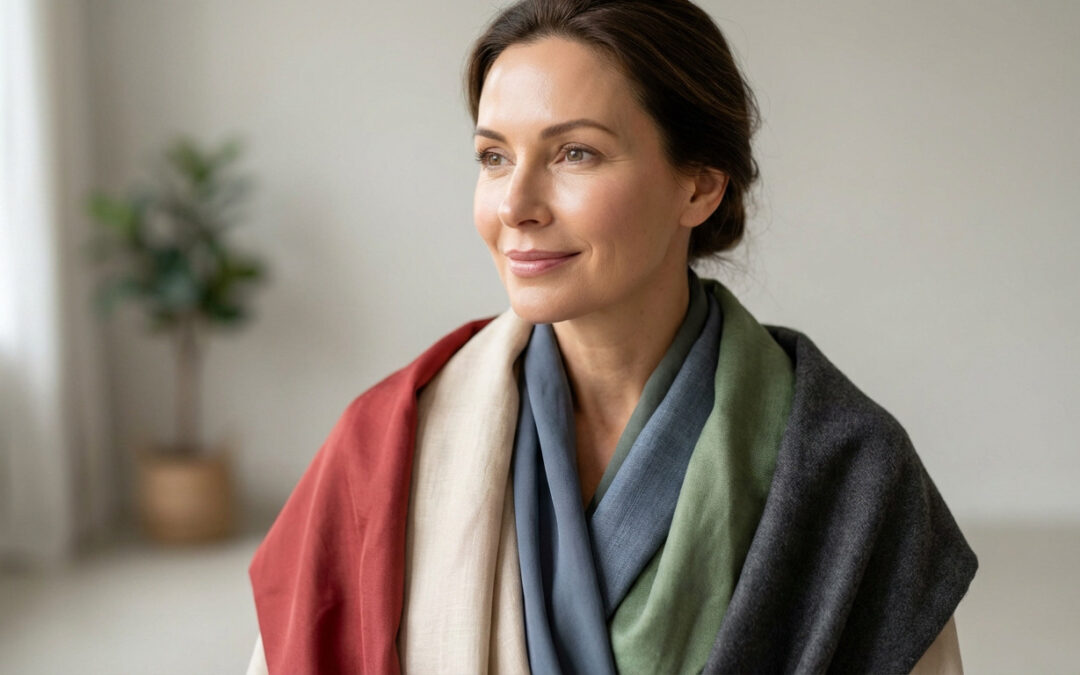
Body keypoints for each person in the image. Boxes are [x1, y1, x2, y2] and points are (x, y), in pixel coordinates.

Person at [246, 1, 977, 673]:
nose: (516, 205)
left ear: (699, 185)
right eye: (494, 156)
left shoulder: (847, 465)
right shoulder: (389, 442)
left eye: (575, 154)